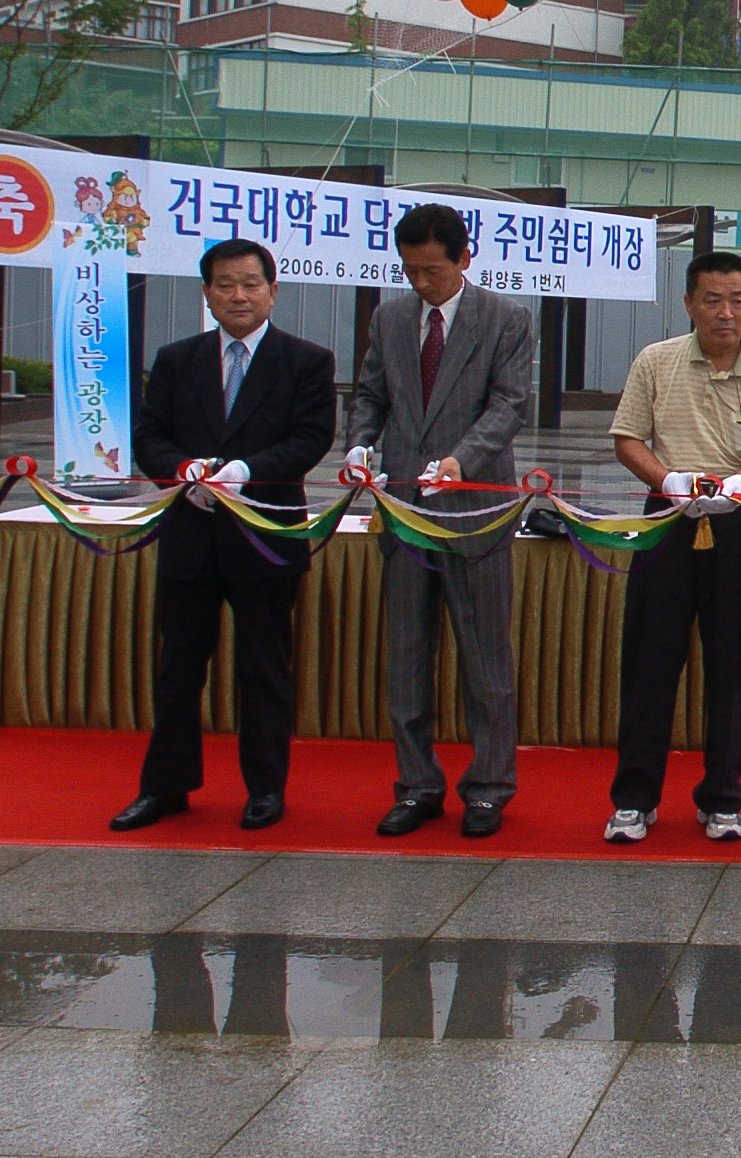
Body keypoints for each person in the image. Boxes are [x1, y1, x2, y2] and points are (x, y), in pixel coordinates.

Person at [113, 239, 337, 832]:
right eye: (224, 284)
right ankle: (165, 788)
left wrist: (243, 471)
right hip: (191, 533)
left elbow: (310, 438)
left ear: (273, 290)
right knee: (178, 668)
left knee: (264, 670)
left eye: (250, 283)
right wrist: (183, 469)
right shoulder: (176, 358)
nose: (238, 295)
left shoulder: (307, 361)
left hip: (264, 537)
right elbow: (149, 436)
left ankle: (265, 790)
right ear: (206, 293)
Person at [345, 204, 536, 840]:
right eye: (410, 271)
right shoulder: (393, 317)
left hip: (473, 510)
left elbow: (510, 405)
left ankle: (487, 787)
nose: (421, 283)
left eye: (432, 270)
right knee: (406, 655)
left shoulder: (505, 318)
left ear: (464, 259)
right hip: (402, 506)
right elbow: (371, 393)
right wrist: (360, 445)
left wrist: (460, 460)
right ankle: (416, 785)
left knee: (485, 660)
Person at [602, 251, 741, 846]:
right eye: (712, 300)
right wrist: (664, 479)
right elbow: (627, 436)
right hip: (668, 516)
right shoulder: (656, 361)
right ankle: (634, 800)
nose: (726, 312)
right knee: (649, 664)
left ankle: (721, 798)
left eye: (737, 300)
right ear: (689, 303)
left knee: (733, 666)